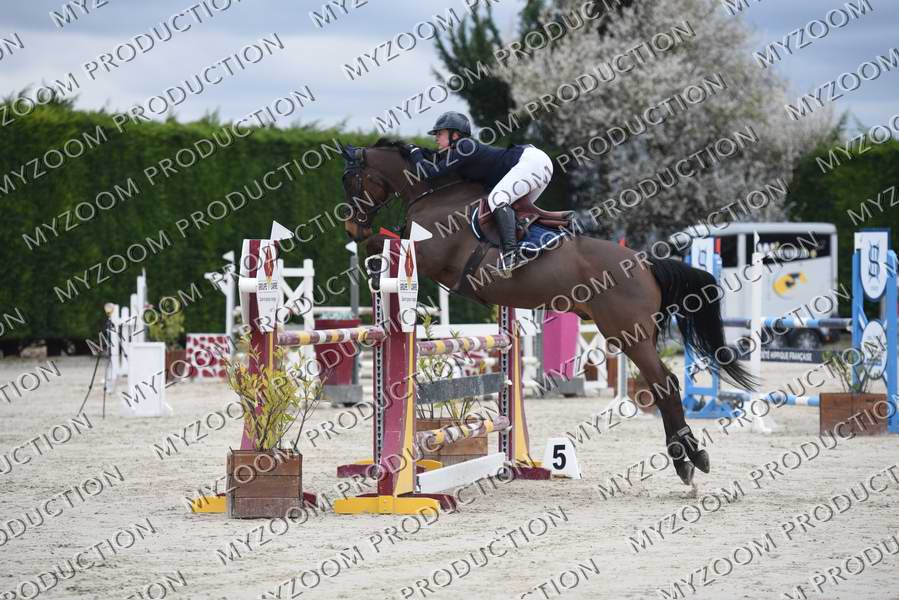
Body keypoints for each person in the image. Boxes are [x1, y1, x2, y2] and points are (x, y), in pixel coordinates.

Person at [408, 111, 553, 274]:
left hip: (531, 161)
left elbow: (429, 173)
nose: (436, 138)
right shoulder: (461, 151)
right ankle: (535, 245)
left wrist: (414, 152)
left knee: (497, 199)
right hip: (539, 166)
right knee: (516, 212)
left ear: (455, 135)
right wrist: (420, 152)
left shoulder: (465, 146)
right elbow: (436, 160)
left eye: (439, 134)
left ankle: (511, 254)